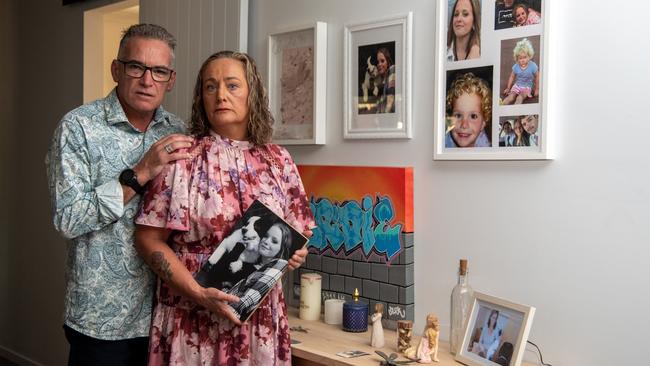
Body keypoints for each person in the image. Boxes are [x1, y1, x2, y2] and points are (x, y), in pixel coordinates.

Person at [134, 50, 314, 365]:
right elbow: (147, 239)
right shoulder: (182, 158)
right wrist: (197, 292)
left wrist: (295, 253)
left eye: (232, 85)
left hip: (257, 319)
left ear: (252, 94)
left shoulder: (278, 160)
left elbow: (298, 234)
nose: (220, 95)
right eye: (210, 86)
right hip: (192, 315)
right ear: (201, 97)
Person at [45, 24, 192, 365]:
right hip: (101, 323)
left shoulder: (181, 133)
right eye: (136, 67)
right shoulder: (78, 127)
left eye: (158, 71)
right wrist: (139, 173)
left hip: (167, 314)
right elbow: (68, 218)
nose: (147, 80)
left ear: (170, 79)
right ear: (116, 69)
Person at [228, 221, 296, 320]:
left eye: (274, 241)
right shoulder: (244, 261)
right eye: (266, 236)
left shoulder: (280, 265)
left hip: (246, 317)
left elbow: (243, 303)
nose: (266, 241)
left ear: (281, 249)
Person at [194, 215, 264, 290]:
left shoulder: (259, 253)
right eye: (247, 224)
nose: (246, 228)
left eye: (255, 226)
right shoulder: (237, 238)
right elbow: (227, 247)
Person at [445, 72, 492, 148]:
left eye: (473, 116)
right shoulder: (441, 144)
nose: (464, 125)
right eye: (458, 115)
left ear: (483, 122)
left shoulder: (486, 149)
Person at [502, 38, 540, 105]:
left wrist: (537, 89)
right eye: (520, 58)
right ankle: (501, 106)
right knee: (511, 97)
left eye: (525, 57)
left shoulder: (533, 66)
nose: (522, 60)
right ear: (517, 58)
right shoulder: (516, 66)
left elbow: (537, 76)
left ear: (529, 56)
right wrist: (508, 88)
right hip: (517, 85)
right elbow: (512, 76)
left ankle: (516, 110)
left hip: (527, 87)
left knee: (520, 97)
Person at [375, 47, 396, 113]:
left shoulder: (393, 69)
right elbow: (378, 108)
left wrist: (384, 118)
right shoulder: (382, 81)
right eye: (378, 62)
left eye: (382, 61)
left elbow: (390, 98)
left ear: (388, 61)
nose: (379, 64)